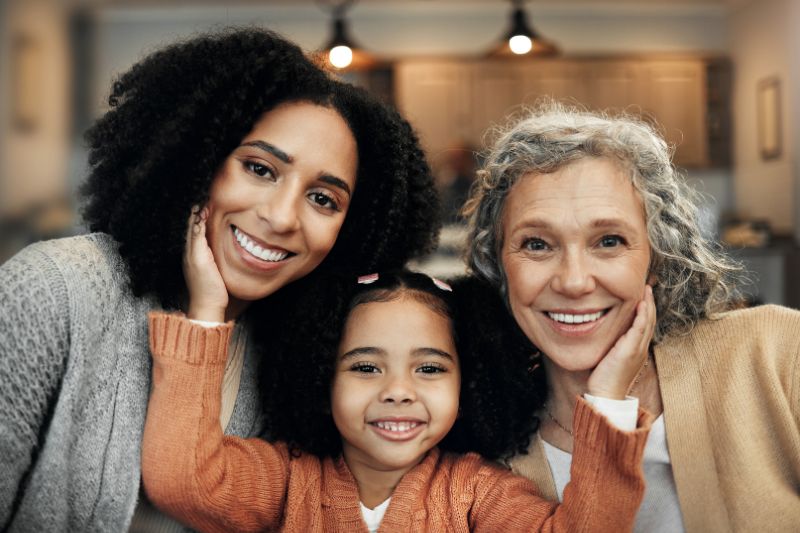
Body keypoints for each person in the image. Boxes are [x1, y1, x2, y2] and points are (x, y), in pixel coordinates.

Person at [0, 28, 440, 532]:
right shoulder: (53, 291)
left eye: (323, 199)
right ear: (198, 159)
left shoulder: (305, 360)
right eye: (259, 168)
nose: (281, 217)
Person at [140, 210, 655, 532]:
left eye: (429, 368)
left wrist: (606, 394)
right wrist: (207, 310)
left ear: (467, 383)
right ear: (322, 380)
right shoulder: (287, 480)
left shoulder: (478, 492)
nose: (398, 392)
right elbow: (183, 479)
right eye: (366, 367)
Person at [463, 101, 800, 532]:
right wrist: (605, 407)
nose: (574, 281)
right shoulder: (478, 440)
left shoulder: (776, 353)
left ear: (656, 258)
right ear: (498, 266)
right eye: (536, 244)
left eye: (608, 241)